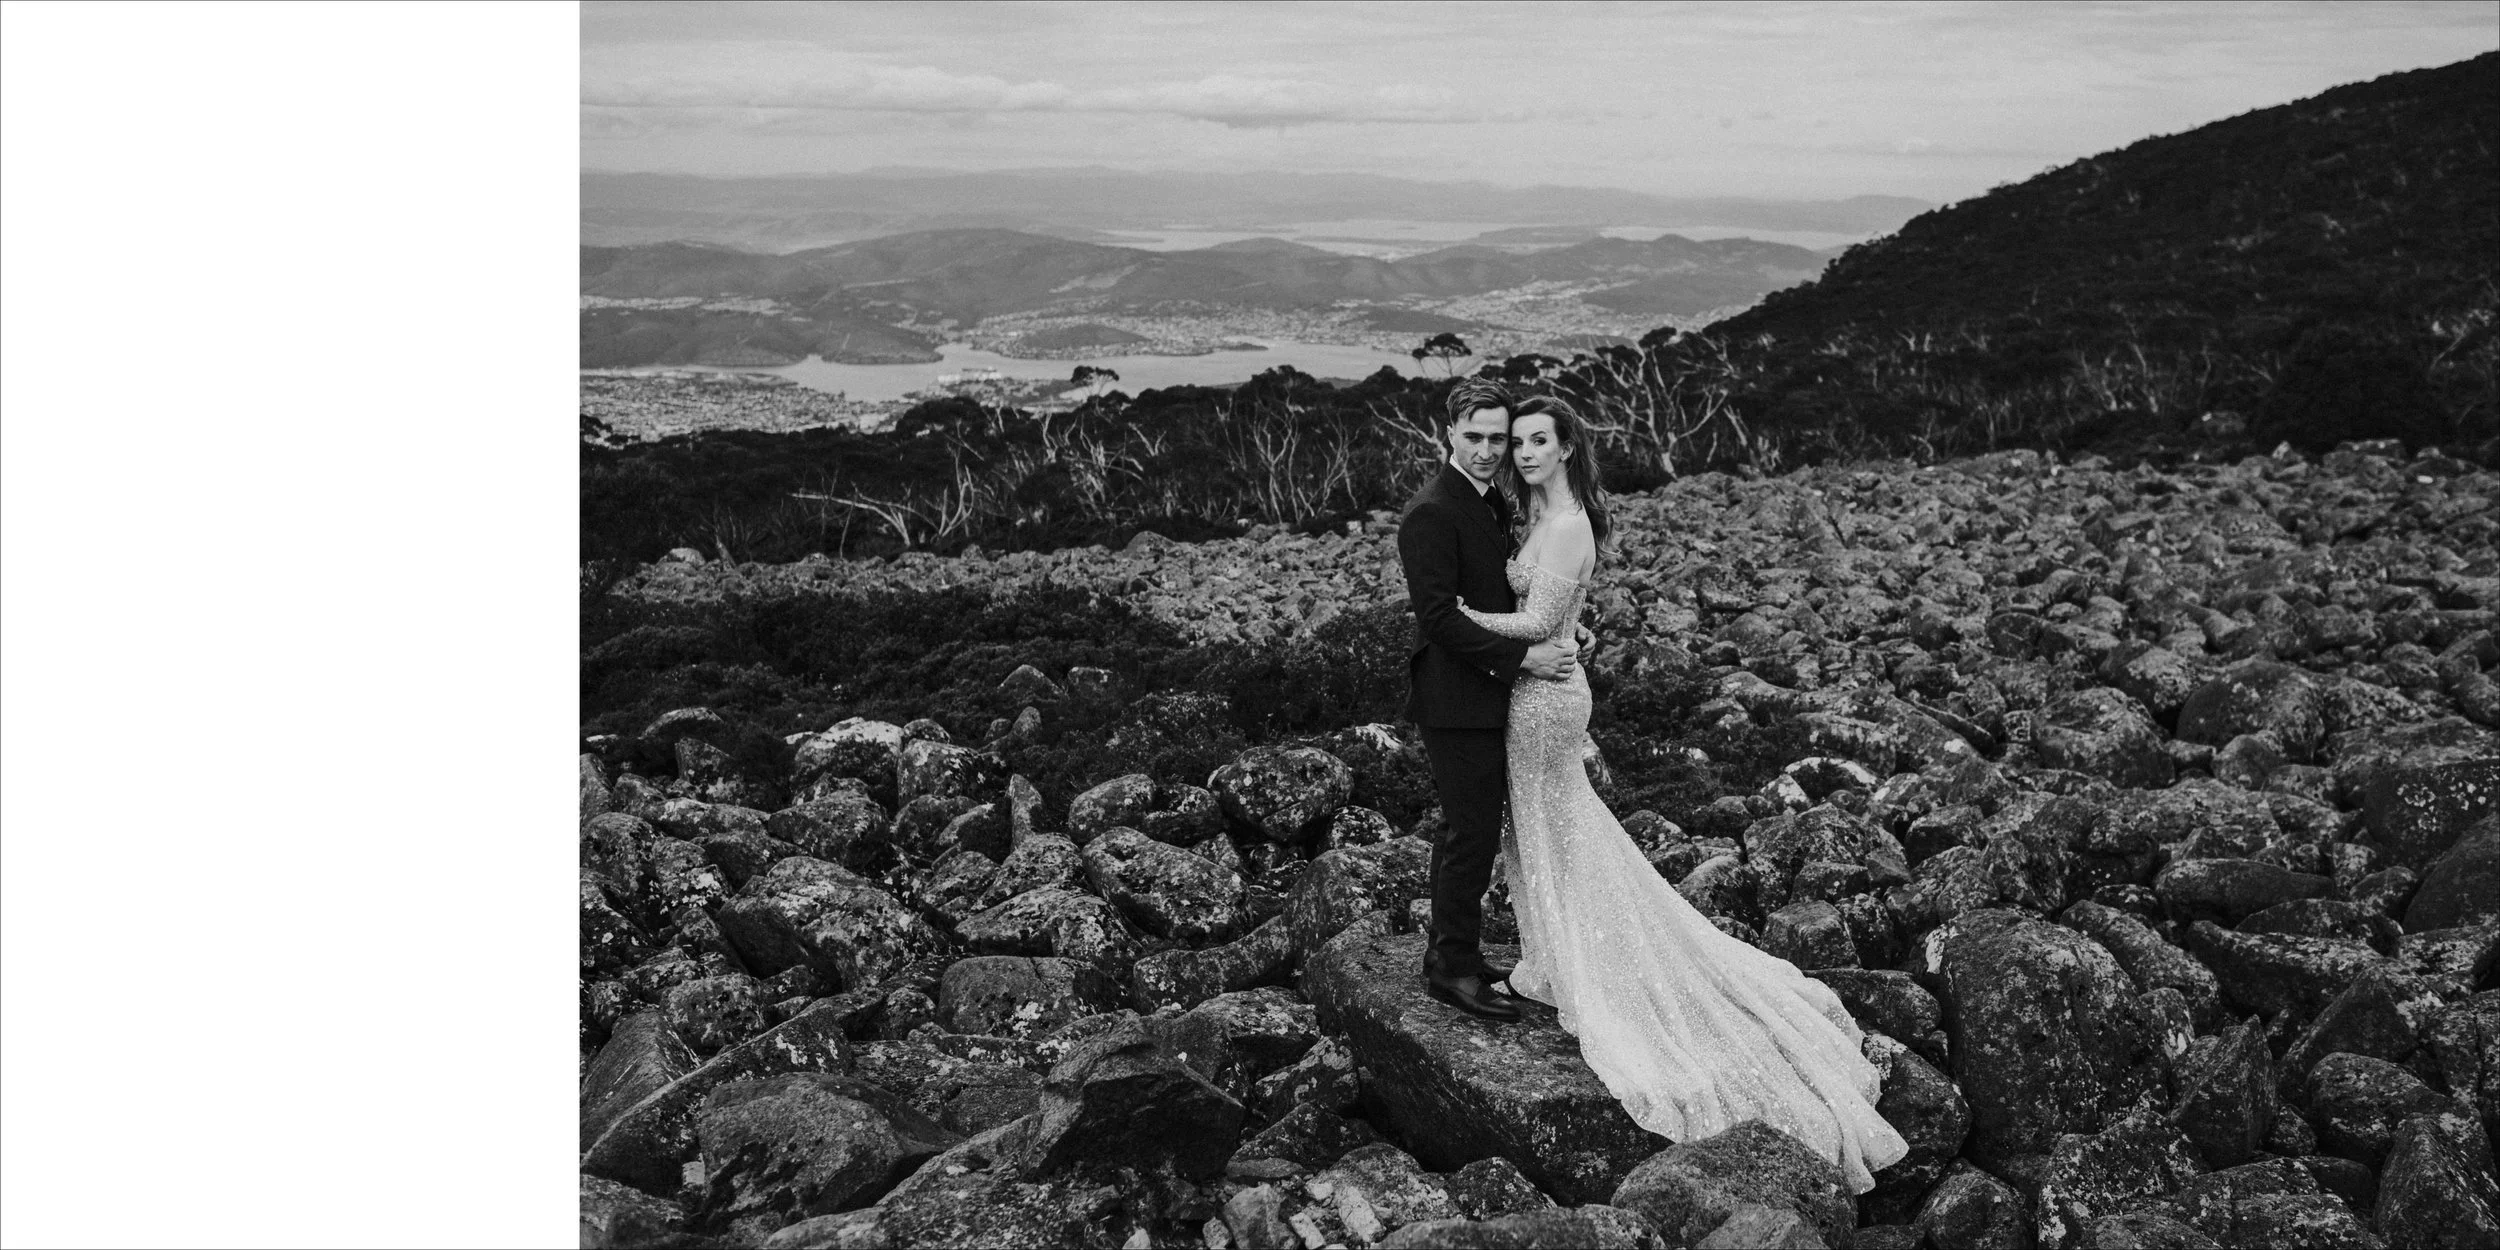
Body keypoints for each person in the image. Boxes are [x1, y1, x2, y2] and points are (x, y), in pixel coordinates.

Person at [1452, 394, 1909, 1193]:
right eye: (1514, 441)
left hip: (1544, 698)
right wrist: (1561, 626)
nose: (1521, 453)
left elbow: (1535, 628)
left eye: (1535, 442)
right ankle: (1553, 951)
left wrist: (1461, 616)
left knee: (1559, 824)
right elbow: (1561, 614)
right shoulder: (1540, 513)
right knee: (1544, 825)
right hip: (1542, 689)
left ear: (1565, 449)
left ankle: (1581, 962)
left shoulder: (1566, 525)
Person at [1395, 378, 1583, 1022]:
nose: (1485, 450)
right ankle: (1450, 970)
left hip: (1495, 692)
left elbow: (1509, 597)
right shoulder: (1430, 512)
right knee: (1469, 832)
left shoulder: (1495, 502)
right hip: (1454, 699)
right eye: (1473, 437)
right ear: (1449, 432)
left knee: (1472, 832)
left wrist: (1562, 623)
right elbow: (1439, 619)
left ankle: (1458, 957)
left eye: (1496, 439)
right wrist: (1524, 655)